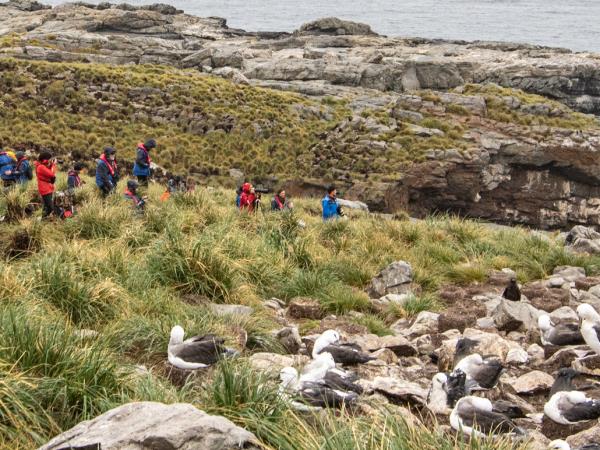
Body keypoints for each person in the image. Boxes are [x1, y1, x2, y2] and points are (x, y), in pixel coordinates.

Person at [35, 151, 57, 218]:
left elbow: (48, 172)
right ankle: (45, 218)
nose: (50, 160)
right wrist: (54, 165)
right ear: (45, 159)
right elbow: (52, 174)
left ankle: (43, 219)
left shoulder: (42, 166)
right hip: (45, 189)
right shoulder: (41, 167)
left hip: (47, 188)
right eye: (50, 158)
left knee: (46, 206)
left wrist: (51, 164)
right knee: (50, 207)